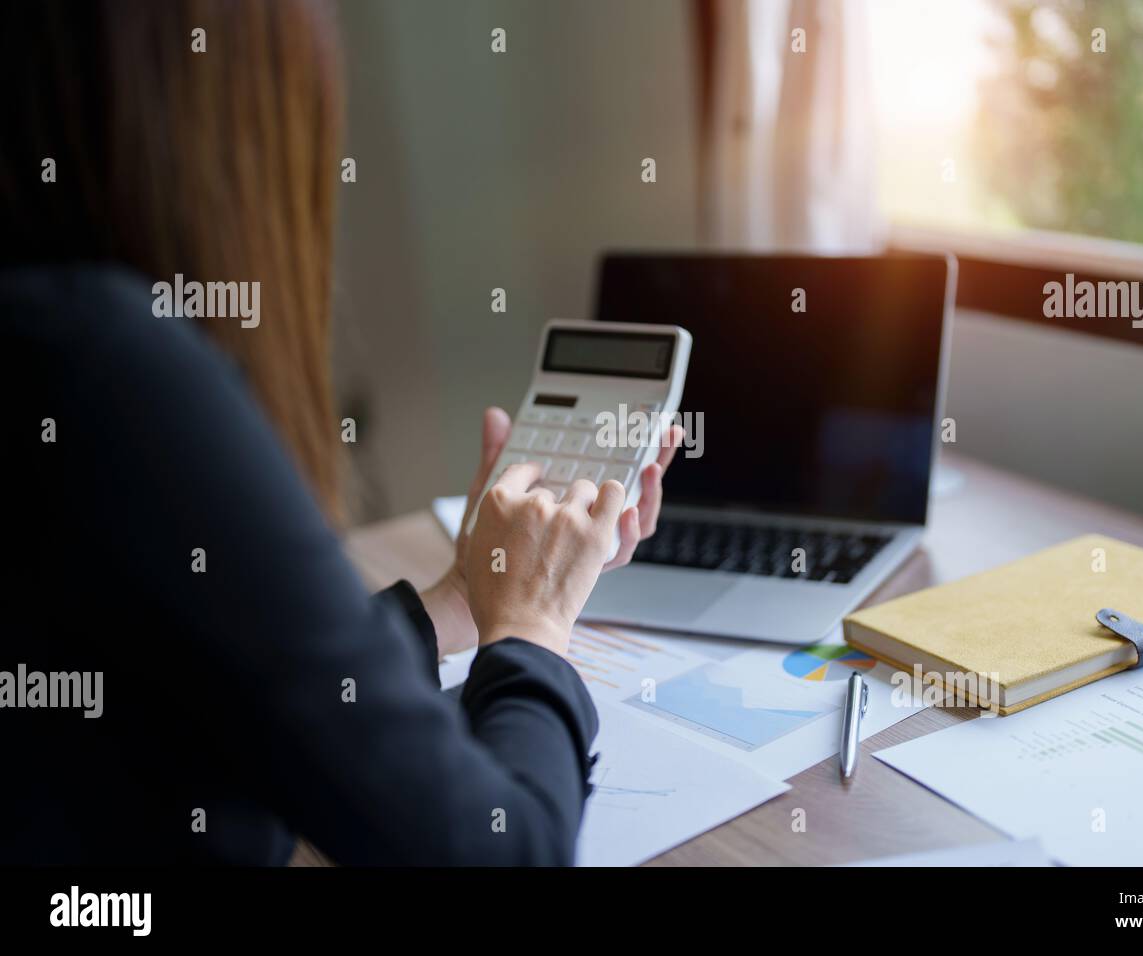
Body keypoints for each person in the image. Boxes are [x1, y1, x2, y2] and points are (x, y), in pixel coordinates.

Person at [0, 0, 679, 865]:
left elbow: (246, 667)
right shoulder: (111, 367)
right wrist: (537, 632)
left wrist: (464, 602)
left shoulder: (45, 337)